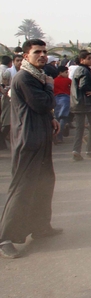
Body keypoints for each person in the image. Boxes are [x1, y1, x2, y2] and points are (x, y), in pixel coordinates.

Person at [0, 39, 62, 259]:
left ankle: (41, 227)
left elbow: (44, 108)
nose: (43, 55)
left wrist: (51, 118)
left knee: (45, 183)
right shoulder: (25, 78)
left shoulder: (38, 76)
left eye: (45, 52)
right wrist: (49, 89)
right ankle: (5, 238)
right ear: (26, 56)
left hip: (41, 136)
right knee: (22, 188)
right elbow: (42, 103)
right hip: (28, 140)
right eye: (37, 52)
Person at [70, 51, 91, 160]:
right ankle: (89, 149)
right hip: (87, 103)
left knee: (79, 129)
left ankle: (76, 151)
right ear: (82, 60)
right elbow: (83, 86)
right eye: (88, 58)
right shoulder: (84, 70)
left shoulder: (78, 70)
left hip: (77, 103)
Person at [53, 66, 71, 145]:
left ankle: (55, 135)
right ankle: (59, 137)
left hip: (56, 99)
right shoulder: (68, 80)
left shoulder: (54, 81)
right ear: (60, 72)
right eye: (66, 72)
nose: (67, 74)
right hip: (65, 99)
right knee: (63, 118)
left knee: (57, 118)